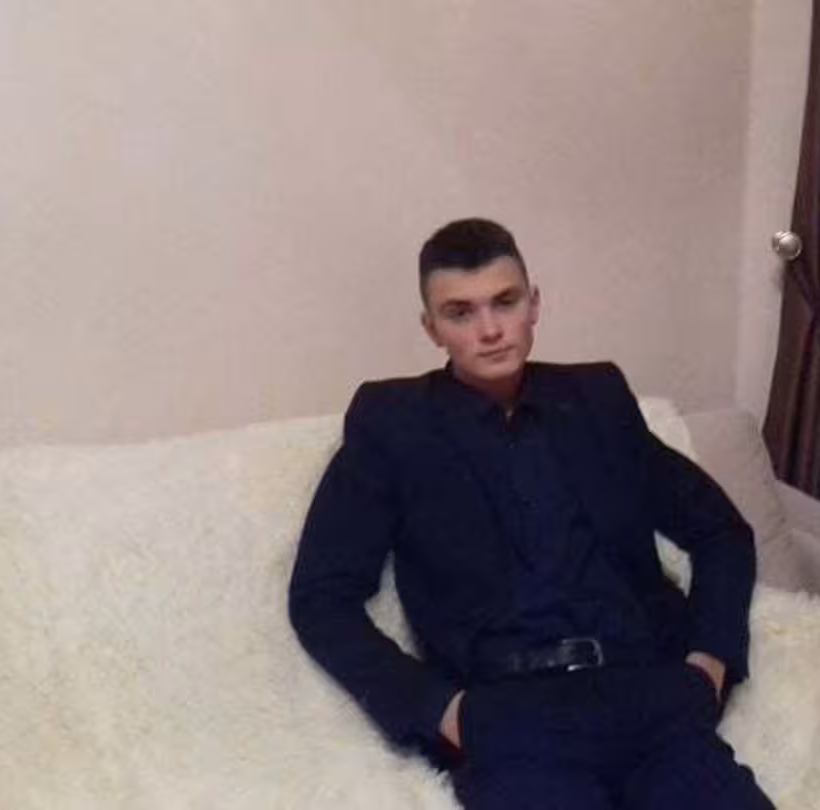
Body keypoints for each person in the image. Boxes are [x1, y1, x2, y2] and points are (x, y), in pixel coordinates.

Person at [289, 218, 773, 809]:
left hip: (651, 698)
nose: (490, 330)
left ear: (534, 304)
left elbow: (720, 531)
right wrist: (439, 711)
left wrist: (709, 663)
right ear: (431, 328)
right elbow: (320, 597)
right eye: (460, 313)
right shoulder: (393, 424)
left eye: (505, 301)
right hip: (510, 720)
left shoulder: (597, 400)